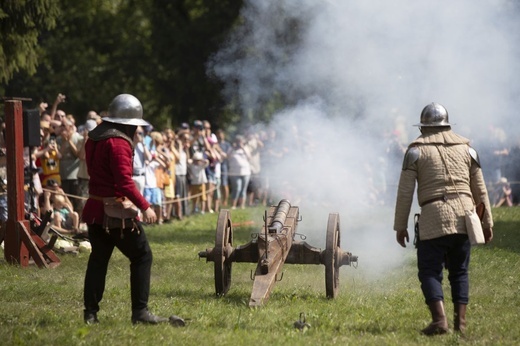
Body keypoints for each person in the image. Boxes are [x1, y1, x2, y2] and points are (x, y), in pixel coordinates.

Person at [81, 94, 184, 326]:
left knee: (98, 261)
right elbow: (124, 182)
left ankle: (90, 314)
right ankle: (140, 312)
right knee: (142, 256)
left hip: (95, 208)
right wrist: (145, 206)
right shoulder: (117, 142)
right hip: (113, 213)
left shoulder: (94, 138)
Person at [393, 102, 494, 335]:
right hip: (465, 217)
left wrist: (400, 226)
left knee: (429, 271)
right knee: (459, 272)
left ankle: (440, 321)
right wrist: (487, 223)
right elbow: (480, 191)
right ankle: (461, 324)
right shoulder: (468, 150)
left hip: (433, 219)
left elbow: (405, 193)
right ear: (447, 125)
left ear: (424, 128)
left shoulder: (415, 152)